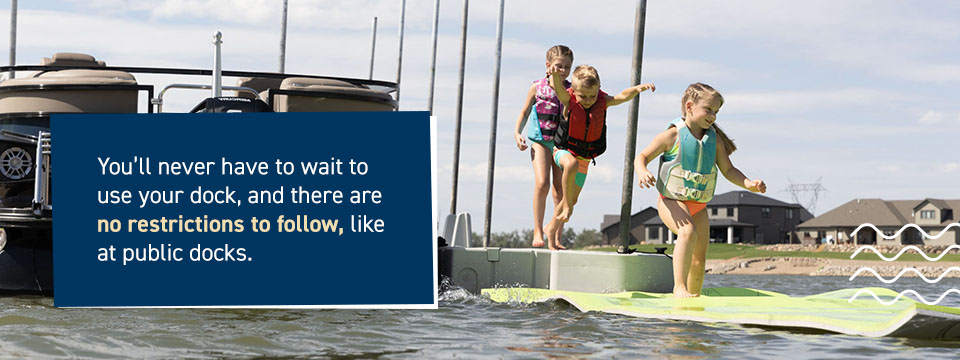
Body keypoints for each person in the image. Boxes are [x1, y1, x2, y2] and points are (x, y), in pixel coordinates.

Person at [634, 83, 766, 298]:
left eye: (716, 112)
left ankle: (693, 296)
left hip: (699, 206)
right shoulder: (672, 136)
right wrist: (642, 171)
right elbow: (641, 157)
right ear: (689, 106)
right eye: (709, 109)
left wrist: (749, 184)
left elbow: (729, 170)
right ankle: (679, 288)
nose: (713, 116)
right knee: (687, 232)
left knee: (699, 258)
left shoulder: (714, 141)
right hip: (671, 201)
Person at [543, 64, 655, 249]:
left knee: (572, 198)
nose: (588, 100)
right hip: (563, 151)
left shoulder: (602, 101)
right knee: (570, 166)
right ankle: (567, 208)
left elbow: (621, 96)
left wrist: (637, 89)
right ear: (574, 92)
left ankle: (551, 228)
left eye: (592, 96)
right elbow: (558, 88)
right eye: (583, 96)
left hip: (585, 158)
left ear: (598, 90)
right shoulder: (568, 99)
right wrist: (555, 76)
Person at [513, 45, 573, 249]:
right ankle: (538, 229)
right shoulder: (537, 87)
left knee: (560, 190)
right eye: (558, 66)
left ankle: (555, 234)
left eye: (567, 67)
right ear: (548, 66)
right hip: (539, 140)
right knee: (542, 183)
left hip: (559, 142)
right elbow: (524, 112)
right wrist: (517, 133)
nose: (562, 70)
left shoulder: (570, 90)